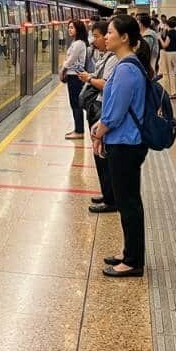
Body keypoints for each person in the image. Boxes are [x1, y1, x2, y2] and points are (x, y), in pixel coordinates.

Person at [90, 15, 152, 278]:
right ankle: (129, 253)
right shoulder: (126, 64)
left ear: (125, 37)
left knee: (128, 202)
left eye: (111, 33)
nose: (106, 36)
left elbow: (115, 111)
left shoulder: (126, 69)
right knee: (128, 201)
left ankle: (133, 261)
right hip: (126, 141)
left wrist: (99, 130)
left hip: (125, 143)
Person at [77, 20, 119, 214]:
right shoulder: (107, 56)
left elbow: (108, 85)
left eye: (98, 36)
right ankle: (108, 193)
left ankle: (112, 199)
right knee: (100, 155)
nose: (94, 40)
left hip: (102, 109)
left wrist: (89, 79)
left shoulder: (116, 60)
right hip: (99, 108)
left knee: (103, 154)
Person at [61, 19, 89, 140]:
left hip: (75, 76)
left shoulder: (78, 44)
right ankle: (78, 129)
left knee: (76, 104)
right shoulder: (78, 42)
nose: (70, 29)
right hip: (74, 75)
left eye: (72, 27)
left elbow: (71, 60)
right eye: (69, 27)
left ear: (78, 29)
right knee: (75, 103)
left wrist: (62, 70)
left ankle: (79, 130)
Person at [158, 18, 176, 99]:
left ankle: (172, 92)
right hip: (175, 53)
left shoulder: (170, 33)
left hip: (169, 54)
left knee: (170, 73)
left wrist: (160, 38)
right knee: (172, 72)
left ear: (168, 25)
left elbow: (165, 45)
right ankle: (172, 91)